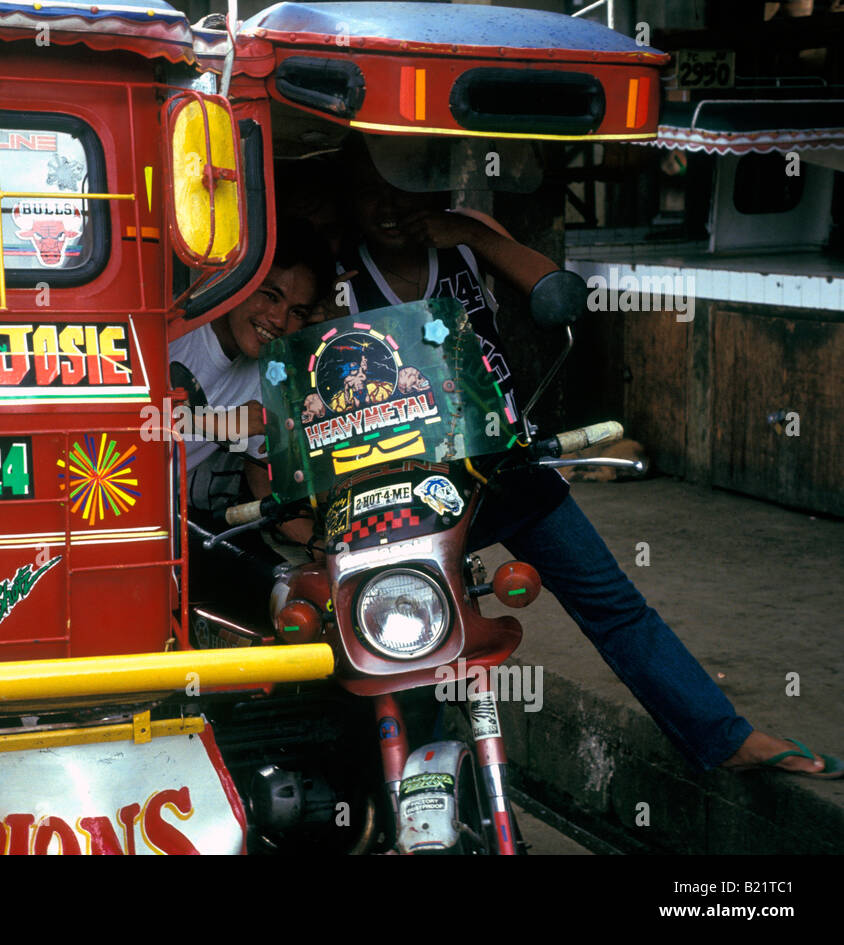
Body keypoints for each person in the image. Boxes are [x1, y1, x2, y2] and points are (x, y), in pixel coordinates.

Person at [329, 135, 840, 778]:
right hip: (405, 492)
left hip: (505, 465)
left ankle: (725, 737)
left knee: (616, 605)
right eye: (372, 193)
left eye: (405, 189)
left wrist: (469, 232)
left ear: (432, 188)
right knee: (415, 636)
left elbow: (558, 290)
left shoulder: (466, 240)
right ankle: (412, 799)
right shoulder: (339, 273)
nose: (390, 208)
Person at [170, 224, 332, 620]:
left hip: (174, 525)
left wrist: (325, 546)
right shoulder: (174, 329)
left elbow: (266, 485)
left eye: (297, 312)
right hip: (104, 510)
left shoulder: (271, 373)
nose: (277, 319)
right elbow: (121, 421)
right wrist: (219, 424)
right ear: (234, 281)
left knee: (292, 593)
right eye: (270, 296)